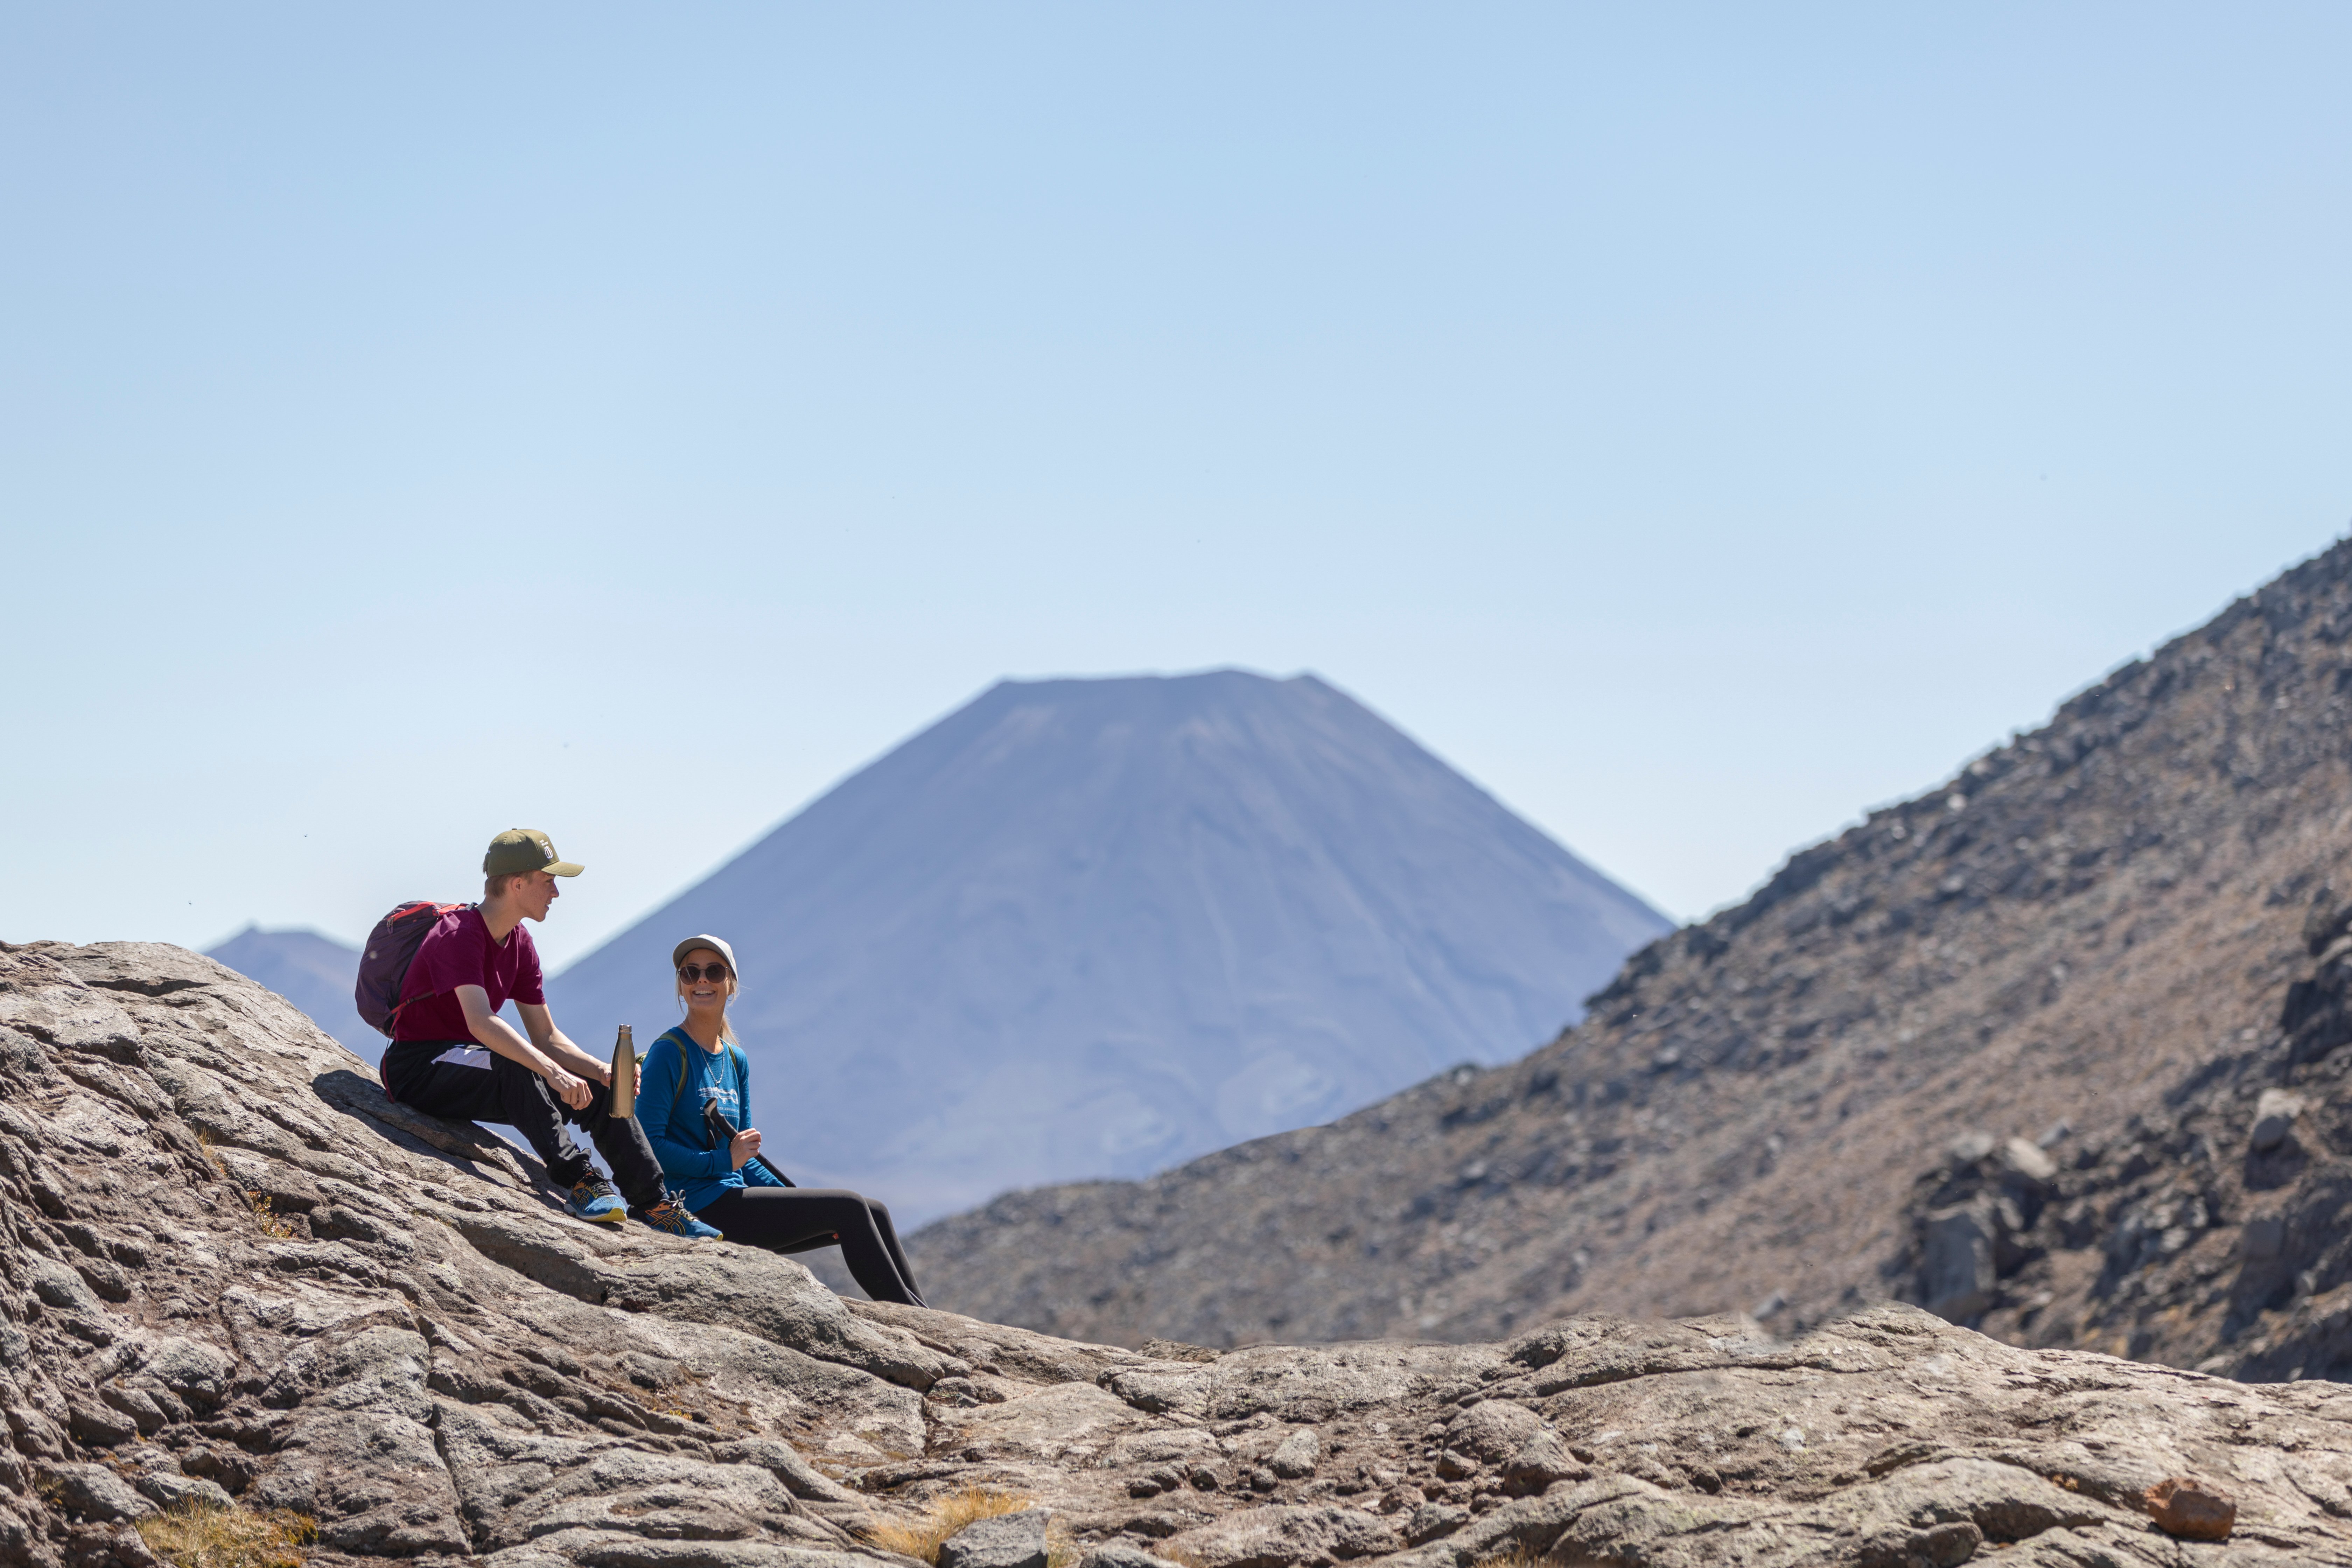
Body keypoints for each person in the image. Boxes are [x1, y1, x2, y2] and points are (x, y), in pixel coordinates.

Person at [381, 829, 720, 1240]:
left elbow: (546, 1037)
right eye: (549, 880)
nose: (556, 892)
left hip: (472, 1061)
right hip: (420, 1068)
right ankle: (579, 1179)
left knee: (592, 1083)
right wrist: (554, 1073)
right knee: (518, 1061)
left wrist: (601, 1071)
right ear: (517, 884)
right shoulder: (458, 934)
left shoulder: (520, 943)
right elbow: (481, 1022)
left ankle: (654, 1203)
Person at [636, 933, 927, 1304]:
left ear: (731, 984)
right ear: (681, 985)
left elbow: (747, 1156)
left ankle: (925, 1320)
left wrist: (794, 1200)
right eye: (690, 973)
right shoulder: (668, 1053)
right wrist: (724, 1161)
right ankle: (916, 1324)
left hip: (733, 1197)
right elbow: (649, 1147)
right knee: (849, 1208)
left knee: (874, 1211)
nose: (702, 981)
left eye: (714, 971)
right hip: (695, 1207)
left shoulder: (735, 1059)